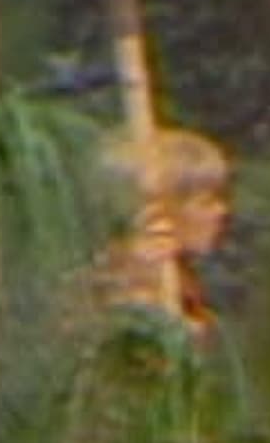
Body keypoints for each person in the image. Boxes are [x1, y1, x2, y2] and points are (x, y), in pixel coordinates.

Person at [95, 127, 233, 339]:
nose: (222, 211)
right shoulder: (133, 283)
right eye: (206, 202)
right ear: (161, 210)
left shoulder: (184, 283)